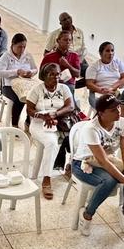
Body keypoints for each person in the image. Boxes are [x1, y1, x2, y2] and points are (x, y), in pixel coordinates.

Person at [69, 95, 124, 236]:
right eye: (113, 109)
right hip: (83, 163)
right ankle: (87, 215)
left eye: (118, 106)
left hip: (108, 160)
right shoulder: (91, 128)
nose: (118, 111)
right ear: (101, 113)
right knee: (108, 181)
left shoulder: (123, 123)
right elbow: (102, 161)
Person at [26, 64, 76, 200]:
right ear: (44, 76)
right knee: (52, 143)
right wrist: (43, 116)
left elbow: (70, 106)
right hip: (38, 125)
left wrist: (54, 115)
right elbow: (29, 109)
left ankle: (72, 167)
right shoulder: (37, 89)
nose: (56, 77)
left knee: (78, 137)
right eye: (52, 74)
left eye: (58, 74)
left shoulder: (64, 88)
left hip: (60, 123)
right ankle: (46, 179)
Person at [0, 33, 37, 128]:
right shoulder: (5, 57)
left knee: (35, 96)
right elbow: (0, 72)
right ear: (12, 45)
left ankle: (28, 121)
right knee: (19, 98)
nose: (22, 49)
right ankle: (14, 124)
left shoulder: (28, 55)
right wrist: (16, 72)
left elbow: (35, 69)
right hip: (9, 86)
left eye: (24, 47)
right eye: (19, 47)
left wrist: (30, 72)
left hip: (25, 83)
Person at [44, 12, 87, 83]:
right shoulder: (54, 34)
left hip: (78, 59)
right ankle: (68, 86)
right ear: (60, 23)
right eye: (64, 20)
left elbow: (83, 48)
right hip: (62, 60)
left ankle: (73, 85)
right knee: (62, 77)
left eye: (68, 17)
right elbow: (46, 52)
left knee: (90, 75)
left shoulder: (79, 32)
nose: (67, 20)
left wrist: (79, 60)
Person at [84, 42, 124, 107]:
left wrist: (112, 88)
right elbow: (89, 84)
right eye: (107, 51)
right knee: (107, 109)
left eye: (112, 50)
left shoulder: (118, 62)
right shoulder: (94, 67)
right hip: (100, 93)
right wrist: (102, 91)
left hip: (116, 91)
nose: (110, 53)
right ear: (100, 53)